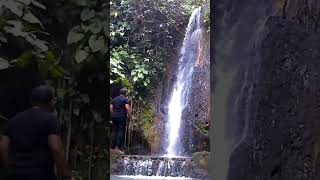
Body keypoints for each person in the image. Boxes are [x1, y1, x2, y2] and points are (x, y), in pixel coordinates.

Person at [0, 85, 72, 180]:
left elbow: (3, 146)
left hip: (15, 175)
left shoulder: (14, 120)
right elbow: (56, 148)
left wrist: (10, 167)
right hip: (41, 175)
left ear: (31, 101)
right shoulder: (50, 120)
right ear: (51, 103)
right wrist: (65, 173)